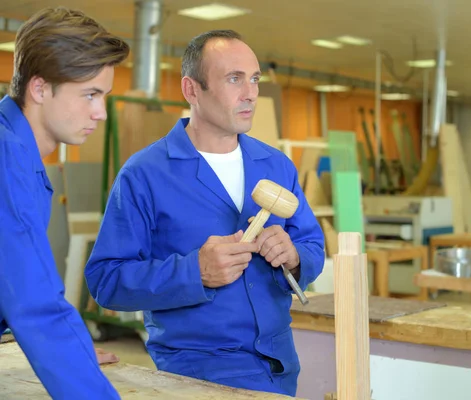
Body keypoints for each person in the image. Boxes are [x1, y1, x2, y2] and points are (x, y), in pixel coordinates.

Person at [84, 29, 325, 396]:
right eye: (234, 79)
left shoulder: (276, 166)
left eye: (255, 79)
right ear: (191, 90)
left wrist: (293, 256)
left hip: (279, 367)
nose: (251, 94)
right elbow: (106, 280)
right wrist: (194, 271)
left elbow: (311, 243)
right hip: (196, 375)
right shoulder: (145, 174)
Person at [0, 6, 130, 399]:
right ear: (39, 89)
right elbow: (33, 304)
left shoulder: (19, 155)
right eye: (90, 94)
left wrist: (70, 347)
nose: (100, 113)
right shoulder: (6, 159)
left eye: (103, 96)